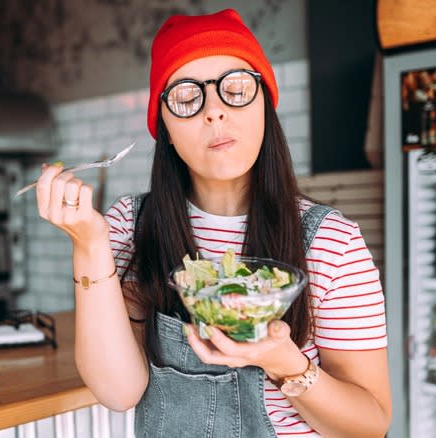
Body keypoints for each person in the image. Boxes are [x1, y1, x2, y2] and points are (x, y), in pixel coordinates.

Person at [35, 8, 391, 437]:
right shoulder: (131, 225)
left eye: (237, 89)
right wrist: (89, 246)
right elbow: (118, 391)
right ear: (163, 125)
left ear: (265, 103)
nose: (215, 112)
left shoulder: (332, 242)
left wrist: (285, 363)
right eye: (187, 97)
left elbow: (369, 425)